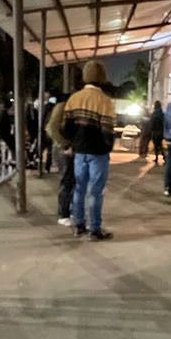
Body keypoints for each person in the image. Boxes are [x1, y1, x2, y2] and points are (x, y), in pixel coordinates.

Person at [59, 60, 118, 241]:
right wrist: (108, 147)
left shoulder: (74, 99)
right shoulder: (105, 101)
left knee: (79, 189)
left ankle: (79, 225)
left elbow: (66, 129)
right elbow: (108, 131)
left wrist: (73, 143)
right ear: (102, 77)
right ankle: (95, 229)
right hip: (98, 153)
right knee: (95, 191)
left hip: (79, 153)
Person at [45, 95, 75, 226]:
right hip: (63, 149)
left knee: (69, 181)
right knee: (66, 181)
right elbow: (51, 128)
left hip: (63, 148)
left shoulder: (63, 108)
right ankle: (63, 214)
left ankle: (67, 211)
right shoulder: (62, 108)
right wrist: (65, 145)